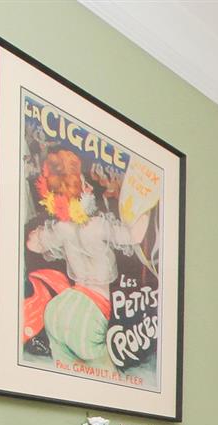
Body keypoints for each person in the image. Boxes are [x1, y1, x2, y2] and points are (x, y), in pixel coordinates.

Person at [21, 149, 151, 370]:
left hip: (58, 309)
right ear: (80, 192)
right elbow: (135, 236)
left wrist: (41, 234)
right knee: (108, 381)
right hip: (91, 314)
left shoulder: (61, 229)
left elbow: (33, 245)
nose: (90, 187)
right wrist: (145, 208)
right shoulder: (99, 226)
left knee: (65, 376)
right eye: (84, 183)